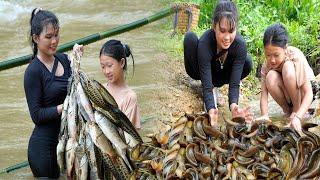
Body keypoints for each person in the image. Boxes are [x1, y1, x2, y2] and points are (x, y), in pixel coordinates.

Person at [24, 8, 83, 178]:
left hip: (66, 143)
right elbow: (36, 115)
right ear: (36, 38)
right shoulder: (33, 71)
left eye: (56, 35)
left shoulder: (64, 59)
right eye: (48, 37)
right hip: (44, 150)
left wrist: (77, 61)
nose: (54, 41)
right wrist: (63, 107)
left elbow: (77, 90)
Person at [183, 0, 253, 126]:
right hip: (202, 72)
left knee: (247, 62)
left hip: (222, 75)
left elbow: (234, 84)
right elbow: (206, 79)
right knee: (190, 38)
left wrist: (233, 106)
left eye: (231, 31)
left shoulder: (240, 45)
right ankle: (211, 88)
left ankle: (214, 86)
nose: (227, 37)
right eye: (222, 31)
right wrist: (211, 107)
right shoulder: (205, 42)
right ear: (214, 26)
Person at [258, 23, 316, 131]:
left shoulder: (295, 56)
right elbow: (264, 95)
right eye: (268, 55)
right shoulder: (266, 65)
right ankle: (288, 112)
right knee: (270, 77)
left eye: (276, 55)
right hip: (290, 94)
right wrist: (264, 115)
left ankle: (297, 112)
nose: (272, 60)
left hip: (307, 93)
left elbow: (309, 92)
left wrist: (298, 116)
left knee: (287, 68)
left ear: (285, 49)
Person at [99, 39, 141, 129]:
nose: (106, 71)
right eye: (103, 66)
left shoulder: (130, 98)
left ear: (122, 63)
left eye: (110, 65)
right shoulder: (99, 89)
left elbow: (128, 135)